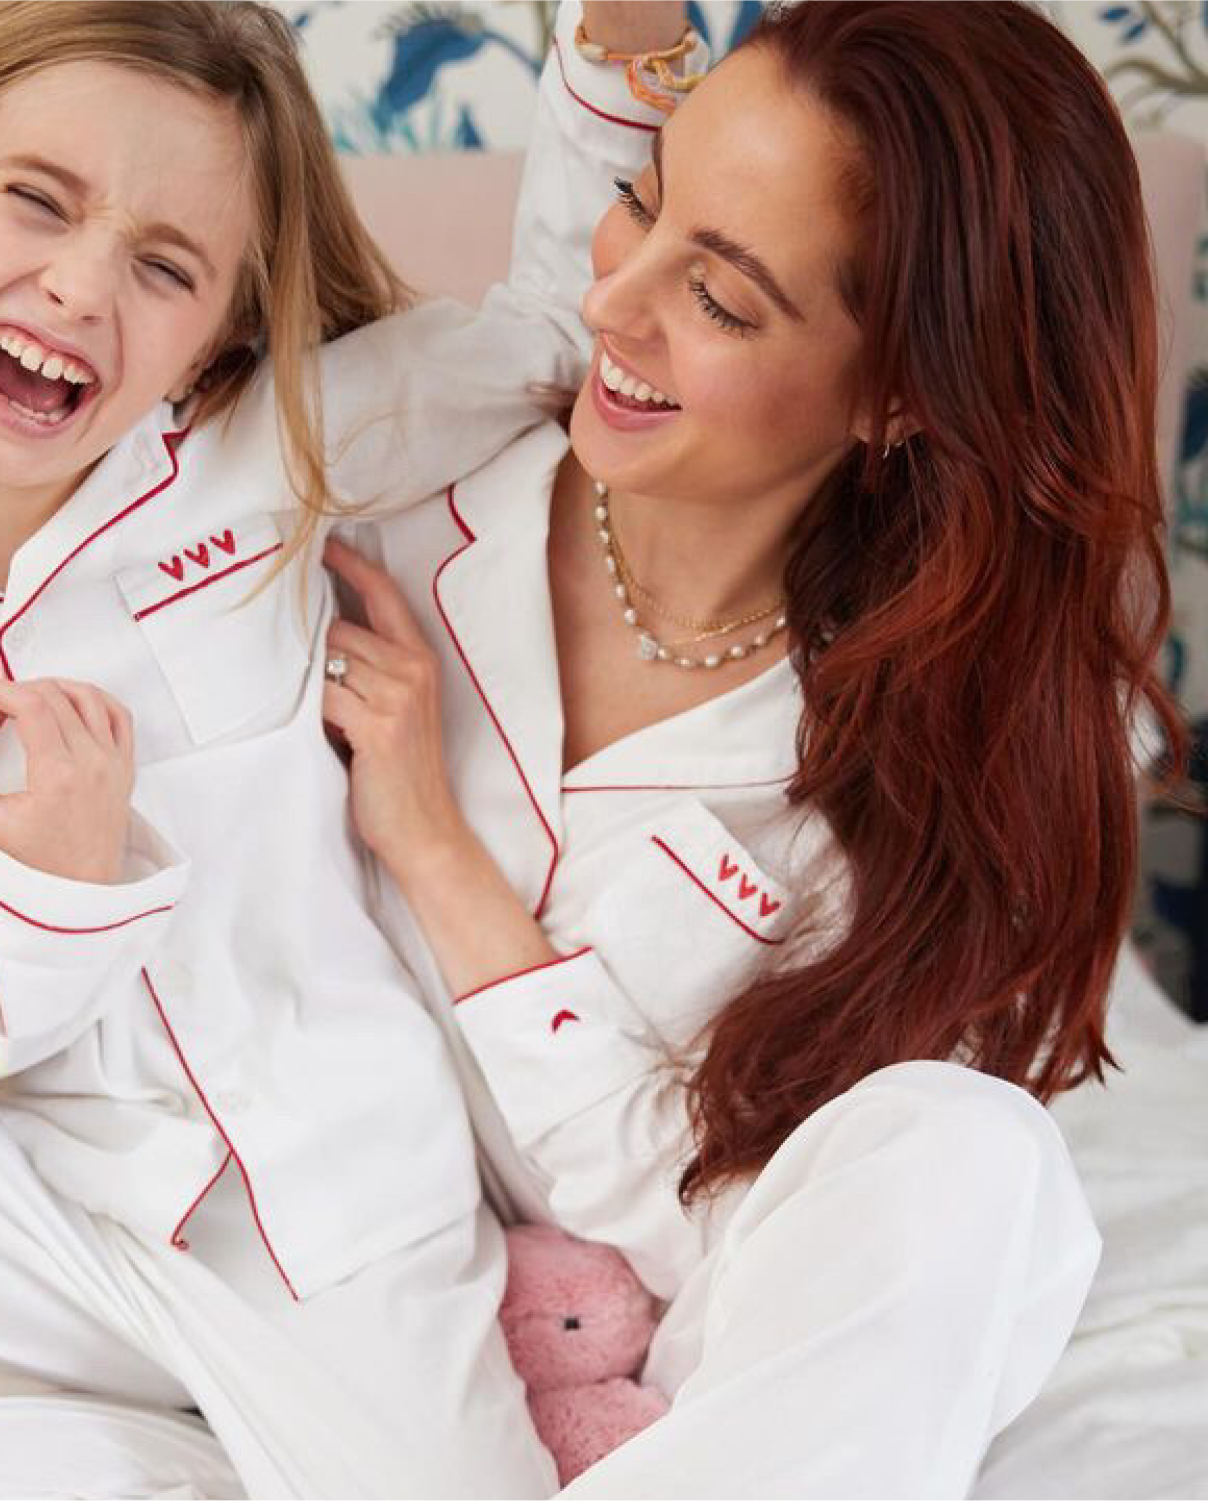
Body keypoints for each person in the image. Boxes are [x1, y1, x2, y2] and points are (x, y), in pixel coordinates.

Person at [0, 0, 652, 1496]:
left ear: (218, 328)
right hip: (31, 1219)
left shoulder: (269, 448)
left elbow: (542, 343)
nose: (82, 287)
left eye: (166, 267)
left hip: (336, 1237)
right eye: (36, 199)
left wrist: (623, 49)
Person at [316, 0, 1185, 1496]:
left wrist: (449, 874)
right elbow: (20, 607)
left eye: (719, 302)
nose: (612, 307)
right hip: (325, 1279)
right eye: (639, 203)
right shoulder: (400, 501)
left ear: (902, 394)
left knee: (971, 1155)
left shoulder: (959, 773)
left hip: (694, 1357)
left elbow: (741, 1224)